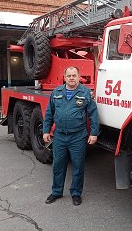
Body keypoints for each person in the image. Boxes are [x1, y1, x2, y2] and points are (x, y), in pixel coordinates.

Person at [43, 66, 99, 206]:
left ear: (79, 76)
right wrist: (46, 130)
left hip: (78, 137)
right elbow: (49, 112)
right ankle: (56, 192)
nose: (72, 78)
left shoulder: (85, 92)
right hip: (60, 136)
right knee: (58, 165)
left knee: (78, 166)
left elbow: (93, 114)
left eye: (74, 75)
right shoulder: (56, 92)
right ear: (64, 77)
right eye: (69, 76)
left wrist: (94, 133)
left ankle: (76, 193)